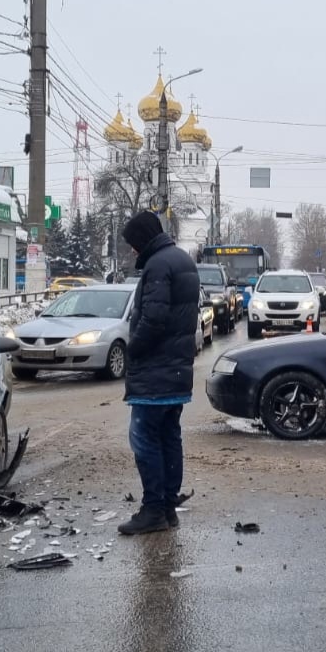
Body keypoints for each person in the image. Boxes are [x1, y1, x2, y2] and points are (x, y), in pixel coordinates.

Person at [116, 211, 200, 535]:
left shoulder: (158, 265)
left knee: (144, 438)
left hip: (155, 371)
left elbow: (153, 318)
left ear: (142, 239)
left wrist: (133, 349)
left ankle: (153, 510)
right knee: (168, 437)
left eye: (133, 243)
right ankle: (167, 508)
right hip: (175, 370)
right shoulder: (181, 260)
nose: (132, 250)